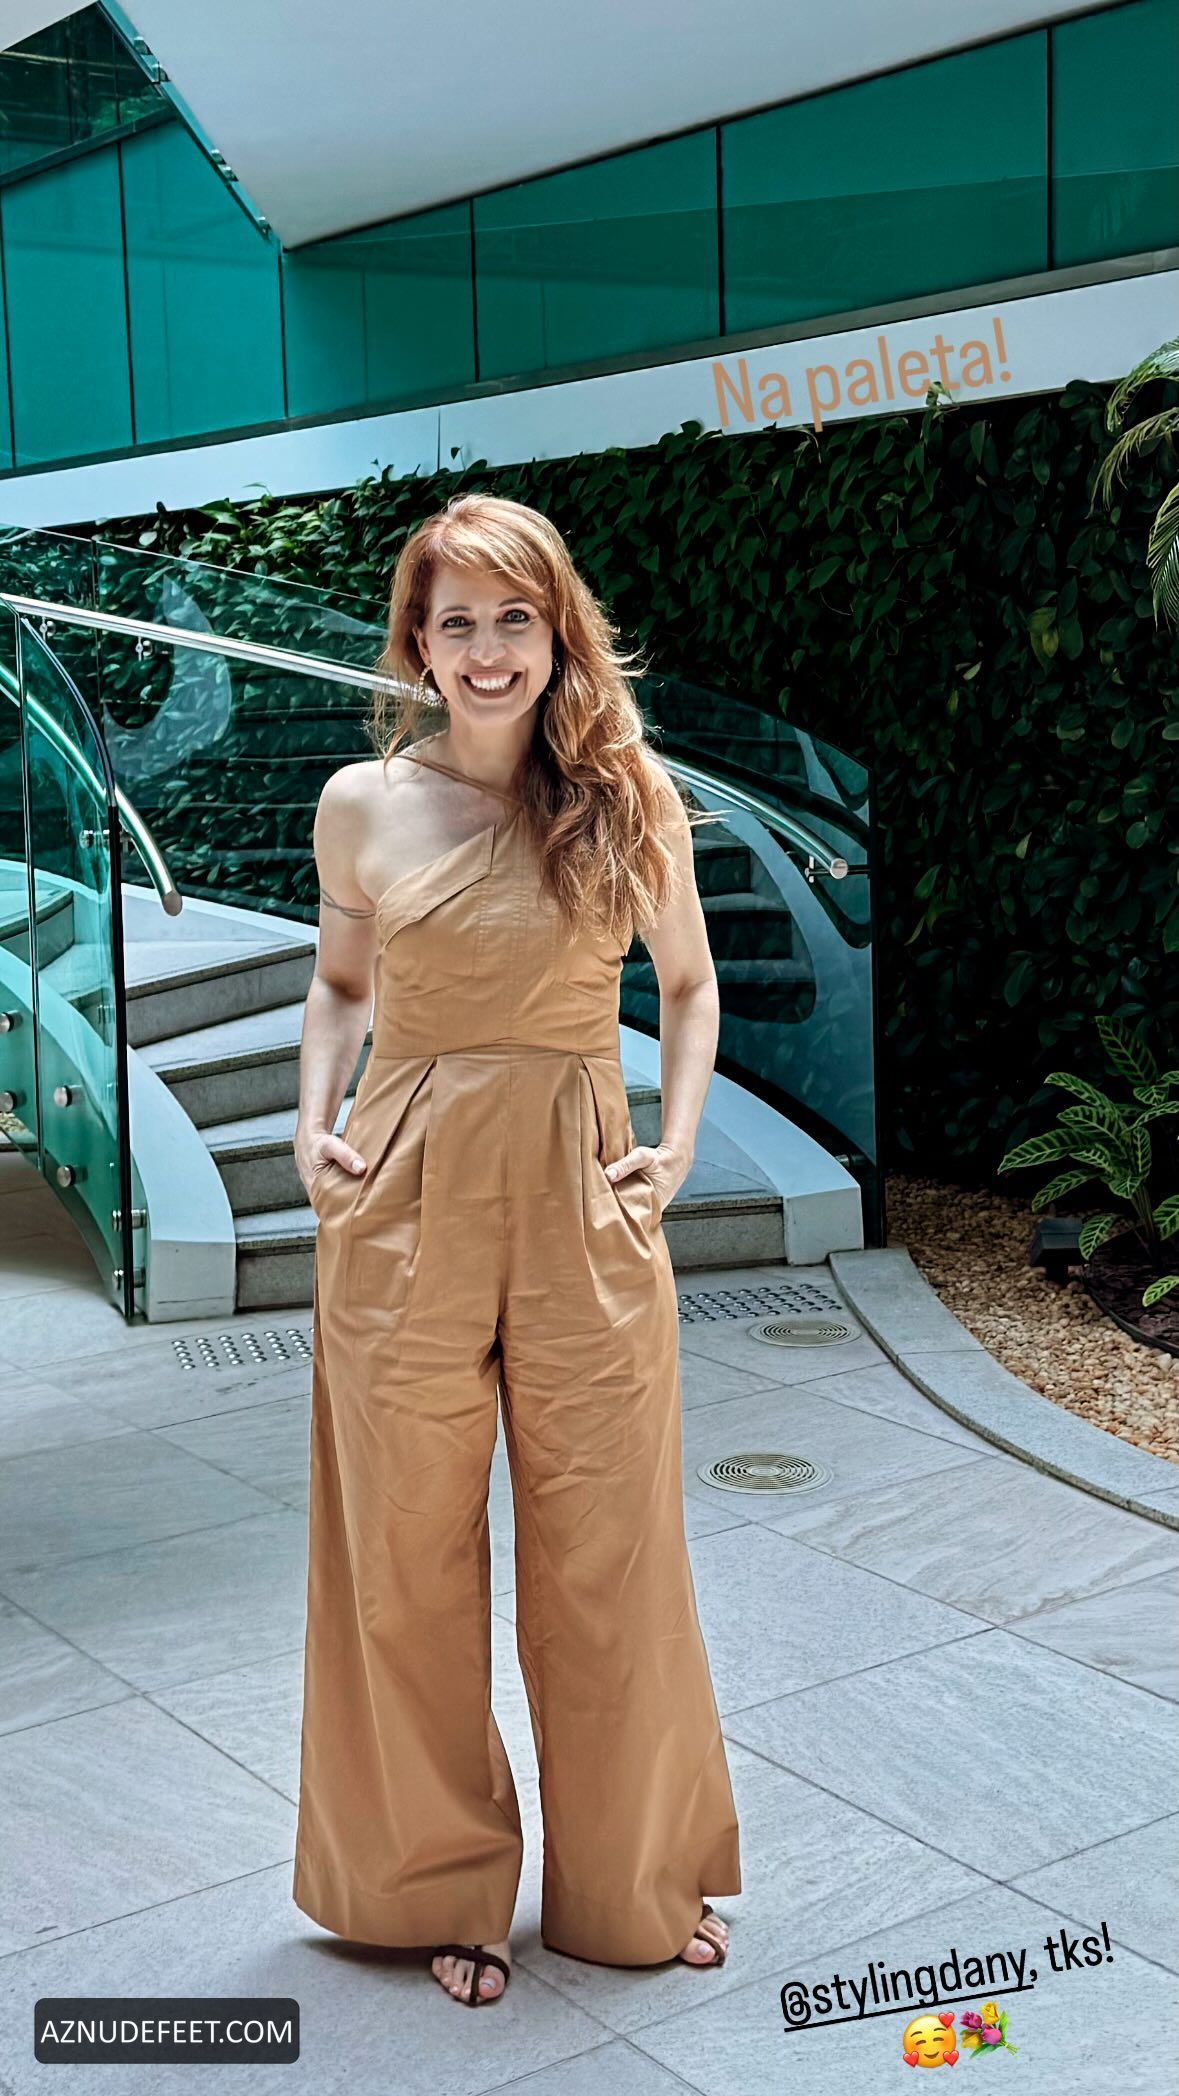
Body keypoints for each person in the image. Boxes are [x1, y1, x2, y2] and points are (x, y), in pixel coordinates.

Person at [291, 492, 741, 2008]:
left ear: (559, 634)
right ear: (417, 645)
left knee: (613, 1549)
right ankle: (439, 1887)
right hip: (402, 1201)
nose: (488, 651)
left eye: (515, 619)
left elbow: (689, 985)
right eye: (457, 623)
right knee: (402, 1557)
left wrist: (676, 1146)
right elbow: (341, 986)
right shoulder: (361, 802)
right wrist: (310, 1125)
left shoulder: (629, 794)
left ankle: (634, 1875)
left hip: (583, 1200)